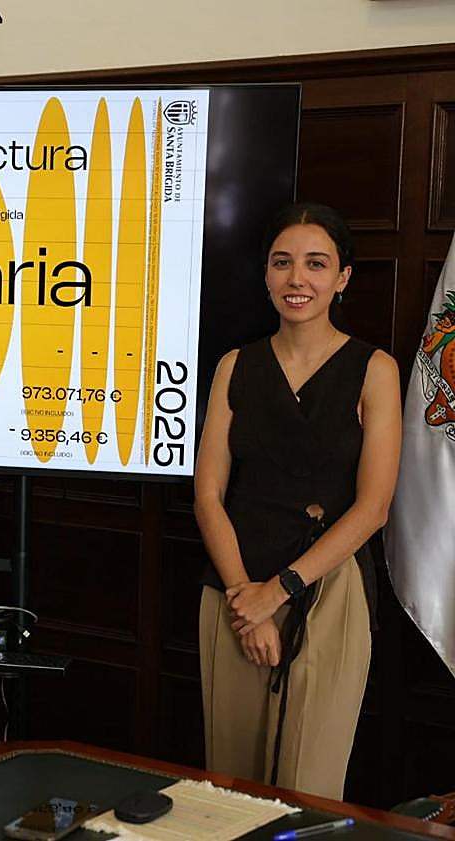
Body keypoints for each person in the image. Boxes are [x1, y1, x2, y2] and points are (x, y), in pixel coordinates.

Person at [194, 203, 401, 799]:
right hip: (233, 587)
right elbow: (209, 495)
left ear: (342, 279)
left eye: (316, 264)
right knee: (229, 789)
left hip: (329, 590)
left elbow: (374, 507)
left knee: (306, 792)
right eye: (282, 263)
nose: (297, 279)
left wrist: (277, 592)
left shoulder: (373, 369)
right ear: (265, 274)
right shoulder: (235, 366)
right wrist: (244, 601)